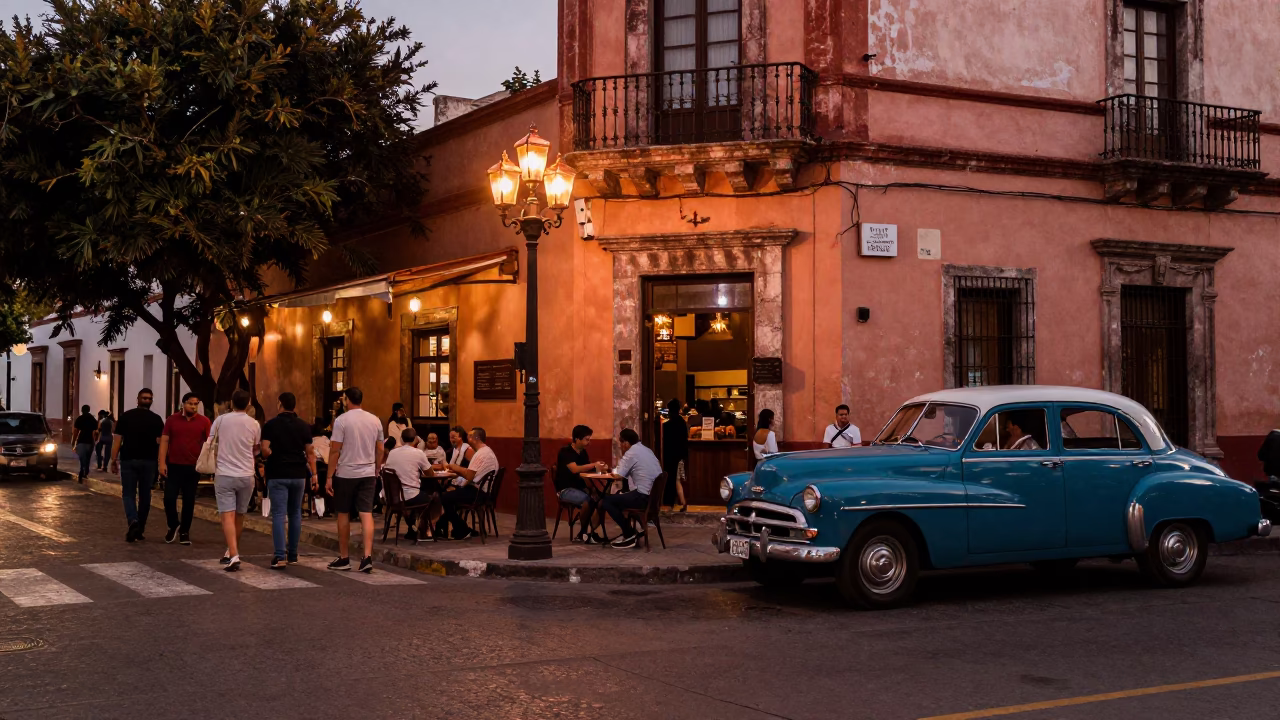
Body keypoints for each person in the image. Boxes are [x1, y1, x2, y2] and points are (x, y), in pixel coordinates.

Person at [326, 386, 384, 573]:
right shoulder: (375, 420)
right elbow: (381, 448)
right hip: (367, 472)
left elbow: (335, 450)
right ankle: (367, 556)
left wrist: (329, 476)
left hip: (346, 473)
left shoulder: (341, 420)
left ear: (346, 400)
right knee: (366, 513)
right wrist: (376, 467)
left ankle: (344, 557)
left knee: (343, 513)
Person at [261, 392, 317, 569]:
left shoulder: (270, 425)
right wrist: (314, 474)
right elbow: (310, 453)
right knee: (295, 513)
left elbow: (264, 449)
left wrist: (271, 454)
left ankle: (279, 556)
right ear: (294, 406)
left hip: (277, 473)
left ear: (280, 404)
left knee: (278, 514)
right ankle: (292, 553)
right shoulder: (304, 426)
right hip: (298, 474)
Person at [208, 390, 260, 572]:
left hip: (225, 473)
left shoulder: (220, 420)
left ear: (231, 402)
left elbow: (210, 442)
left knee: (226, 516)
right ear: (248, 404)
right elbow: (256, 449)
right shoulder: (254, 424)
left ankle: (234, 554)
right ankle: (231, 551)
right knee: (239, 515)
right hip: (247, 474)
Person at [111, 389, 164, 543]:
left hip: (129, 459)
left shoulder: (125, 417)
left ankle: (133, 520)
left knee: (128, 494)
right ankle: (140, 528)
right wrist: (161, 463)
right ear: (149, 401)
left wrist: (113, 459)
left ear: (137, 400)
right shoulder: (156, 419)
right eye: (147, 398)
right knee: (145, 495)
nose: (148, 400)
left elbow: (117, 440)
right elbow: (161, 443)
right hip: (149, 461)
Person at [158, 392, 211, 545]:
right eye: (190, 404)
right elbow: (165, 441)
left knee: (189, 500)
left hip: (193, 467)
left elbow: (209, 444)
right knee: (169, 498)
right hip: (174, 465)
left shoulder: (204, 421)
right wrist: (162, 463)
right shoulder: (172, 420)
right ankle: (173, 524)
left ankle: (185, 531)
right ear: (183, 404)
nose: (193, 407)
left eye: (196, 404)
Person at [601, 428, 662, 549]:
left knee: (606, 501)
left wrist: (606, 472)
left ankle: (629, 534)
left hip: (642, 497)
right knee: (620, 497)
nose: (621, 446)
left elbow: (618, 476)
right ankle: (632, 531)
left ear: (626, 443)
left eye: (621, 443)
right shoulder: (647, 450)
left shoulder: (631, 453)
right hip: (652, 498)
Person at [439, 426, 499, 540]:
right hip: (481, 490)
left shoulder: (480, 454)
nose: (467, 438)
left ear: (475, 438)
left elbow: (469, 475)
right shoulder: (485, 451)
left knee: (445, 498)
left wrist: (455, 467)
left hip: (478, 493)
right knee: (450, 496)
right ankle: (448, 527)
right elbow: (471, 476)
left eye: (469, 436)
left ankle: (461, 529)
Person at [384, 428, 439, 541]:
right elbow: (430, 473)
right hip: (409, 496)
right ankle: (425, 531)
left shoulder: (392, 453)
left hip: (392, 496)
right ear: (415, 440)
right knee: (435, 497)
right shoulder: (418, 453)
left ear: (401, 439)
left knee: (417, 495)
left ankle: (412, 529)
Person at [555, 424, 608, 543]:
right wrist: (594, 465)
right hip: (565, 489)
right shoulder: (565, 452)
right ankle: (583, 533)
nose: (589, 442)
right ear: (577, 439)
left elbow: (587, 470)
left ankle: (589, 533)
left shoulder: (583, 453)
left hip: (581, 488)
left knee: (602, 501)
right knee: (587, 500)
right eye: (586, 439)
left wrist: (601, 468)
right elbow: (575, 469)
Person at [661, 399, 688, 511]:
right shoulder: (682, 423)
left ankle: (672, 503)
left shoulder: (668, 425)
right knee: (675, 480)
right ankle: (681, 502)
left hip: (670, 455)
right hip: (680, 455)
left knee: (672, 479)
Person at [72, 404, 98, 482]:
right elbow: (96, 432)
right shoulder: (93, 419)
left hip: (81, 441)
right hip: (90, 441)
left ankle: (82, 469)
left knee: (82, 458)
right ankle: (86, 471)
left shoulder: (79, 419)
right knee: (88, 457)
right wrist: (95, 440)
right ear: (89, 410)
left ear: (82, 410)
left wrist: (73, 441)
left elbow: (76, 431)